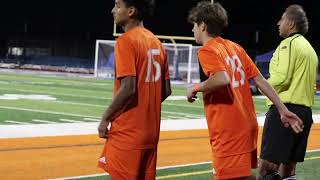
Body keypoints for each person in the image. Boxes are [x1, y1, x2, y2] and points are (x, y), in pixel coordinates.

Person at [186, 1, 303, 180]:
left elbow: (221, 79)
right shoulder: (235, 47)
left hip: (228, 130)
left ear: (203, 25)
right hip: (246, 126)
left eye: (194, 25)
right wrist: (282, 109)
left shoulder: (207, 51)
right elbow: (261, 81)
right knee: (242, 177)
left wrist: (195, 88)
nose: (193, 29)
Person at [97, 0, 172, 179]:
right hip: (151, 133)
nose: (113, 10)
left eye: (117, 5)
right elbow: (166, 90)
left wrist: (105, 118)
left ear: (131, 11)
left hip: (128, 132)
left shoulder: (126, 41)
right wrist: (146, 103)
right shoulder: (157, 43)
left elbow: (128, 88)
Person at [258, 4, 318, 180]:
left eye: (282, 18)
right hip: (304, 114)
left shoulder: (288, 44)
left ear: (291, 23)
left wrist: (257, 85)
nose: (278, 23)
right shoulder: (310, 50)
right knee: (288, 171)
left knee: (266, 170)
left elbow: (281, 78)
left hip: (285, 112)